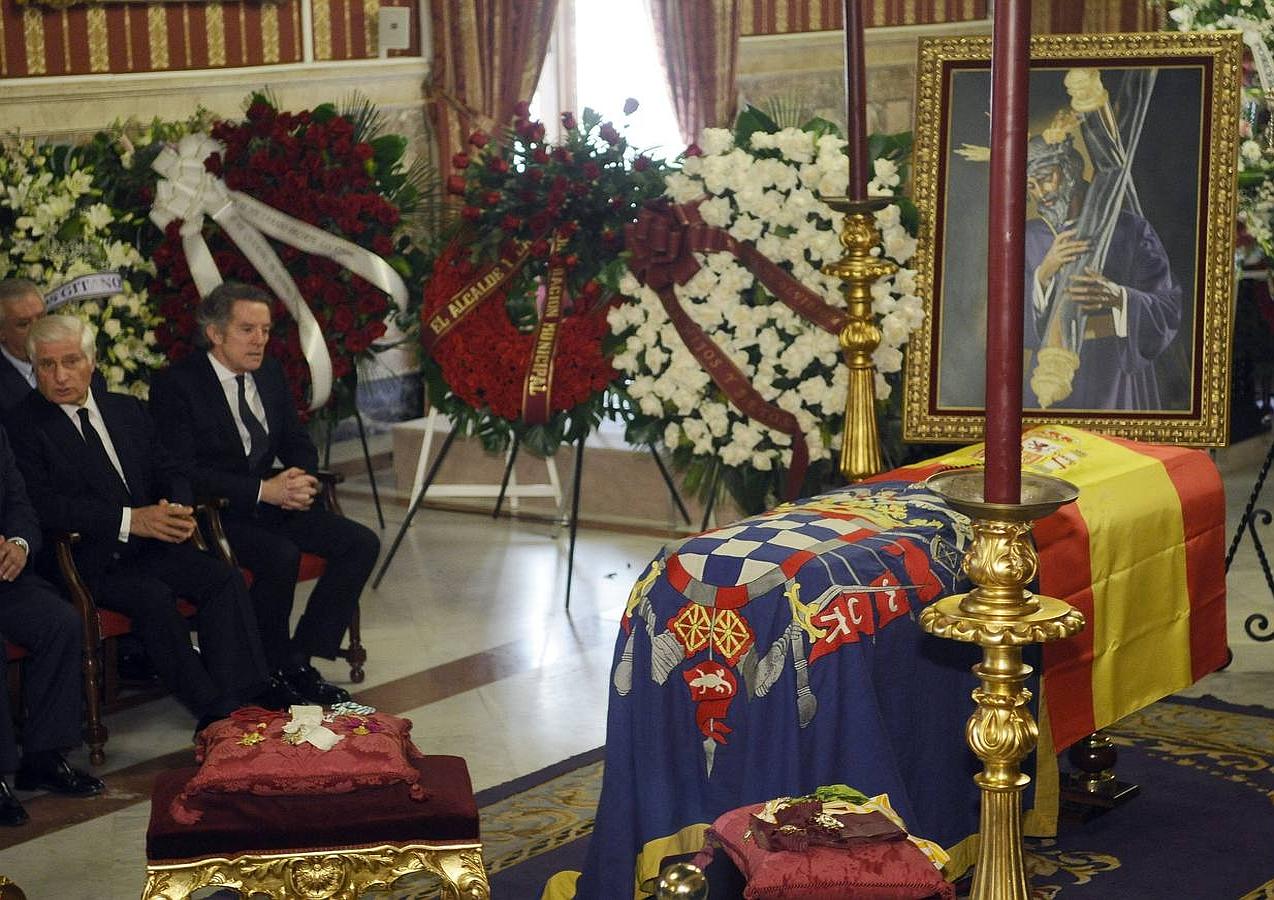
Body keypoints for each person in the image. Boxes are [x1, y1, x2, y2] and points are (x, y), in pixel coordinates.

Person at [7, 315, 294, 735]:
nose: (61, 376)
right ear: (34, 369)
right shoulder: (22, 426)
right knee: (153, 597)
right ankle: (212, 710)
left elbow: (170, 468)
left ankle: (245, 694)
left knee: (223, 578)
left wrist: (174, 506)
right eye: (47, 365)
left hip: (152, 543)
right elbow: (46, 506)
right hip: (85, 558)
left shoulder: (124, 409)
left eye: (71, 361)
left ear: (92, 361)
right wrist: (131, 520)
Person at [148, 282, 379, 705]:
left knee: (360, 542)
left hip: (275, 502)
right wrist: (261, 490)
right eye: (247, 329)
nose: (259, 340)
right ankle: (268, 669)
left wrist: (300, 480)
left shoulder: (269, 373)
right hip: (217, 512)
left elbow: (297, 441)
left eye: (266, 330)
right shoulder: (178, 384)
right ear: (215, 333)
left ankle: (299, 656)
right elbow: (182, 471)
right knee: (280, 555)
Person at [1023, 132, 1183, 411]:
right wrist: (1044, 273)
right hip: (1053, 371)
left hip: (1115, 373)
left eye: (1046, 178)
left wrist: (1120, 297)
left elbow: (1168, 307)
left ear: (1070, 170)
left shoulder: (1131, 229)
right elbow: (1006, 318)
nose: (1040, 193)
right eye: (1030, 186)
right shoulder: (1028, 237)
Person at [0, 421, 102, 826]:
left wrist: (19, 545)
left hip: (5, 576)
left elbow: (19, 503)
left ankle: (43, 756)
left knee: (60, 622)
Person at [0, 279, 45, 413]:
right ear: (2, 333)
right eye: (24, 324)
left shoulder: (74, 356)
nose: (38, 329)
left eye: (42, 317)